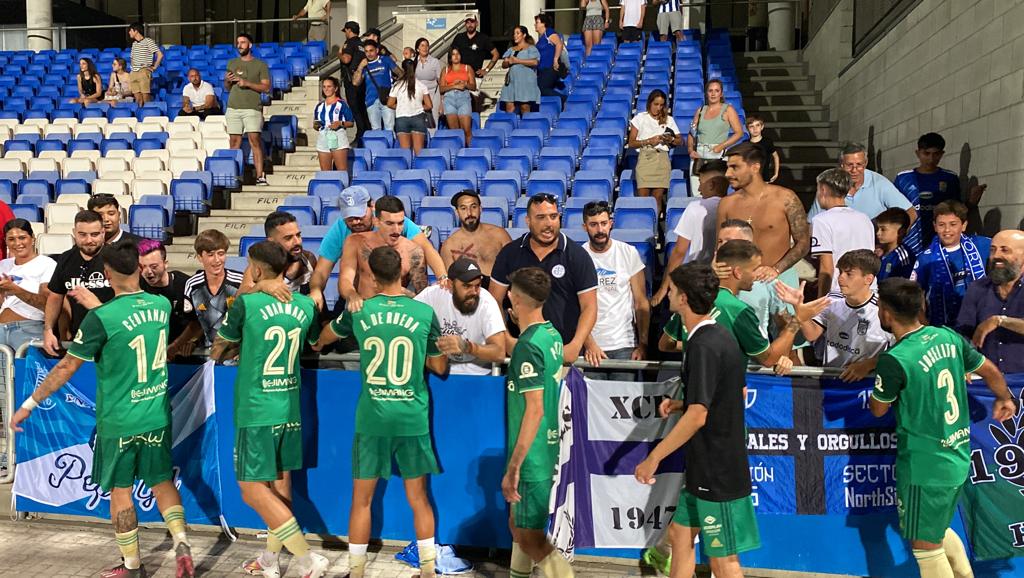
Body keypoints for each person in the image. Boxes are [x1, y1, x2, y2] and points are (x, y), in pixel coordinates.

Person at [11, 239, 196, 578]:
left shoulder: (102, 318)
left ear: (107, 273)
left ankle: (132, 566)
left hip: (119, 420)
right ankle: (182, 542)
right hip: (155, 414)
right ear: (140, 269)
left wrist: (28, 404)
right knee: (161, 482)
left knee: (120, 492)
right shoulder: (160, 306)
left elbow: (66, 367)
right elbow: (129, 322)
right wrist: (99, 307)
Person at [315, 245, 449, 578]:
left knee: (361, 500)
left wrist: (317, 343)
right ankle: (429, 571)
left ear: (372, 277)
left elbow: (326, 336)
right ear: (403, 273)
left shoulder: (359, 311)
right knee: (419, 498)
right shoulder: (422, 313)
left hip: (372, 418)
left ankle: (357, 572)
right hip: (411, 415)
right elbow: (440, 366)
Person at [870, 278, 1016, 578]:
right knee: (935, 530)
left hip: (925, 464)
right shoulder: (946, 337)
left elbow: (879, 407)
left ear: (885, 313)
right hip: (957, 456)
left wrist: (878, 376)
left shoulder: (895, 359)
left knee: (925, 546)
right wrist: (1004, 397)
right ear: (920, 307)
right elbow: (988, 368)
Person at [635, 262, 760, 578]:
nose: (668, 297)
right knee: (680, 537)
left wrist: (653, 459)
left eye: (673, 292)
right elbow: (729, 394)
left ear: (685, 299)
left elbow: (699, 415)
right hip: (704, 466)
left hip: (718, 470)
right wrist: (681, 404)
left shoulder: (704, 345)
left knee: (723, 561)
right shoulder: (709, 337)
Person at [210, 241, 328, 578]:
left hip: (256, 407)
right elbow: (313, 342)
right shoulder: (305, 306)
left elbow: (218, 349)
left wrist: (236, 344)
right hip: (289, 406)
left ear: (257, 269)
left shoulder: (246, 302)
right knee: (281, 485)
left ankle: (306, 559)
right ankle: (270, 561)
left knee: (251, 489)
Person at [502, 267, 577, 578]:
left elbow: (534, 409)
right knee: (519, 528)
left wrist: (514, 466)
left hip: (530, 457)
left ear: (516, 299)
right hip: (544, 449)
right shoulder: (552, 335)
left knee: (530, 537)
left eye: (509, 292)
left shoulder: (528, 346)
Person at [659, 240, 825, 372]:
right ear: (738, 272)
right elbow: (768, 359)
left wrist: (702, 347)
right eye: (755, 269)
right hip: (722, 399)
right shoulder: (738, 310)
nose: (758, 274)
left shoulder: (694, 298)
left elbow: (665, 344)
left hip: (691, 390)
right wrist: (798, 320)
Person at [490, 194, 598, 364]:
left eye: (553, 217)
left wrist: (575, 345)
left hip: (562, 355)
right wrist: (506, 338)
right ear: (528, 220)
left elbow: (589, 306)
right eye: (541, 217)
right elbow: (494, 299)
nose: (549, 224)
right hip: (521, 353)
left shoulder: (577, 256)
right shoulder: (510, 253)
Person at [309, 186, 447, 310]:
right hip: (360, 301)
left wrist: (443, 277)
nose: (356, 221)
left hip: (397, 306)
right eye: (350, 217)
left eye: (360, 215)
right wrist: (316, 290)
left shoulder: (395, 221)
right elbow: (323, 271)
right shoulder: (345, 233)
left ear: (372, 208)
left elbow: (427, 249)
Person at [776, 249, 892, 378]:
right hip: (831, 380)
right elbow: (812, 335)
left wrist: (869, 364)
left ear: (868, 279)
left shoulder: (883, 308)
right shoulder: (832, 299)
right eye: (840, 272)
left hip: (865, 385)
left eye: (849, 274)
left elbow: (903, 349)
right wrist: (798, 307)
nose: (840, 278)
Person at [716, 143, 811, 289]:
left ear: (755, 167)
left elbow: (803, 243)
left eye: (735, 167)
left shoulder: (786, 198)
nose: (728, 174)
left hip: (780, 279)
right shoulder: (726, 204)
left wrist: (777, 269)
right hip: (740, 283)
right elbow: (719, 246)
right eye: (727, 167)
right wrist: (716, 265)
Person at [581, 201, 650, 380]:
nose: (600, 230)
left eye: (604, 223)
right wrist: (589, 344)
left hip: (625, 344)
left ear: (611, 223)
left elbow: (641, 302)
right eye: (593, 224)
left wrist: (642, 344)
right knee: (593, 406)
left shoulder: (628, 252)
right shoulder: (578, 257)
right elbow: (576, 307)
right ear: (585, 227)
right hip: (592, 346)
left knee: (622, 407)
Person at [895, 132, 986, 252]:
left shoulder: (950, 178)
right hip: (909, 243)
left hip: (940, 243)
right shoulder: (903, 178)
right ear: (918, 153)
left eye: (936, 154)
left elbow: (957, 212)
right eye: (926, 153)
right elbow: (894, 213)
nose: (931, 159)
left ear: (942, 154)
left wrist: (971, 202)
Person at [415, 257, 507, 375]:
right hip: (437, 372)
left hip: (478, 374)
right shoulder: (432, 295)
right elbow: (409, 318)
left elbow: (499, 352)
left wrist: (467, 347)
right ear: (450, 284)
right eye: (467, 286)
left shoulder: (486, 303)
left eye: (477, 285)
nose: (474, 292)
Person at [42, 210, 113, 355]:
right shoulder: (65, 259)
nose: (89, 240)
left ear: (103, 232)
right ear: (74, 232)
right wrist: (48, 330)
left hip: (112, 337)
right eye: (82, 235)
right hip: (79, 340)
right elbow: (55, 297)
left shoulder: (116, 258)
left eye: (94, 234)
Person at [652, 171, 728, 306]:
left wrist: (663, 288)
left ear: (712, 185)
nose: (699, 189)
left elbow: (679, 252)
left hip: (696, 278)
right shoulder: (733, 207)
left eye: (701, 184)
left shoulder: (695, 207)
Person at [911, 200, 991, 328]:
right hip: (942, 328)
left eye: (953, 224)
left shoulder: (982, 245)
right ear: (935, 226)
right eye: (941, 225)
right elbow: (915, 294)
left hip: (979, 322)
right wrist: (925, 326)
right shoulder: (925, 258)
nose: (947, 230)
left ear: (964, 225)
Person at [339, 195, 429, 308]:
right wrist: (352, 295)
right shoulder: (356, 242)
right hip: (365, 308)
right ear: (376, 222)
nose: (396, 230)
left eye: (400, 223)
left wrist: (405, 294)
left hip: (397, 312)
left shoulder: (413, 251)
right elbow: (345, 279)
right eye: (390, 223)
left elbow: (422, 294)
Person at [957, 229, 1024, 374]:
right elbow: (963, 333)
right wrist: (964, 359)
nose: (996, 256)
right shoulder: (977, 288)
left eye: (1005, 250)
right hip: (986, 380)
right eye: (993, 250)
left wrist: (999, 321)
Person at [808, 143, 917, 222]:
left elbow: (910, 212)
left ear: (865, 163)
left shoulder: (879, 183)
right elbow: (812, 223)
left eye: (859, 165)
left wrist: (895, 241)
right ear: (841, 164)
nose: (854, 170)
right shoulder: (829, 185)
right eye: (849, 165)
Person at [810, 168, 876, 297]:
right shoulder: (864, 218)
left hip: (839, 295)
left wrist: (821, 302)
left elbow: (827, 268)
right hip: (868, 293)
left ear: (823, 189)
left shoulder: (821, 220)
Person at [182, 230, 244, 346]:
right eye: (210, 255)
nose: (217, 260)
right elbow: (194, 323)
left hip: (236, 351)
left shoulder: (240, 281)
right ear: (199, 257)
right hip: (205, 354)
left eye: (221, 254)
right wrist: (191, 341)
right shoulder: (192, 284)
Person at [0, 220, 55, 349]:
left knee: (27, 369)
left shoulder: (47, 264)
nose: (17, 243)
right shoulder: (3, 265)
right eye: (11, 239)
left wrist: (15, 290)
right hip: (1, 331)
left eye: (22, 238)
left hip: (29, 329)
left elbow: (48, 304)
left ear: (33, 238)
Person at [225, 33, 271, 186]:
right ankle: (233, 176)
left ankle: (260, 175)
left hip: (252, 108)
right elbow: (227, 87)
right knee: (234, 141)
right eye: (238, 42)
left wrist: (248, 83)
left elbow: (266, 87)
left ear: (250, 45)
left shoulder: (260, 65)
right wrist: (227, 81)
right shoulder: (232, 63)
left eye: (243, 42)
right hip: (233, 107)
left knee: (254, 140)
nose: (239, 45)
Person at [627, 89, 682, 215]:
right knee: (643, 199)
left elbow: (680, 141)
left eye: (661, 105)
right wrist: (648, 141)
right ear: (649, 103)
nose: (658, 108)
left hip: (661, 159)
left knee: (657, 198)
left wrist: (671, 139)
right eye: (656, 104)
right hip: (645, 158)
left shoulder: (669, 120)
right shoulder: (640, 118)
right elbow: (631, 143)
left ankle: (655, 227)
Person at [241, 211, 318, 296]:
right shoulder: (260, 265)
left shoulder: (308, 259)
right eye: (288, 238)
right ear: (271, 242)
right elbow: (240, 297)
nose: (297, 242)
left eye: (298, 235)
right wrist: (261, 286)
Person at [137, 239, 193, 356]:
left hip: (181, 351)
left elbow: (198, 322)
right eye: (143, 267)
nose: (148, 272)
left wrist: (192, 340)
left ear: (165, 264)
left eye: (154, 266)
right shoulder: (136, 286)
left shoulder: (185, 284)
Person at [440, 189, 513, 279]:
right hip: (469, 291)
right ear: (457, 212)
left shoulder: (500, 235)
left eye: (473, 207)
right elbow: (450, 282)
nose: (469, 213)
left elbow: (515, 267)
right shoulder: (449, 246)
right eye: (463, 208)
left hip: (500, 288)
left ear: (480, 209)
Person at [688, 79, 744, 174]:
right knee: (697, 187)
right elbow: (691, 133)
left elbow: (739, 133)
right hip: (699, 154)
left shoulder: (728, 109)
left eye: (716, 91)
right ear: (706, 93)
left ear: (721, 93)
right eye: (710, 91)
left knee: (716, 187)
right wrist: (690, 150)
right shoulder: (700, 111)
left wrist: (721, 146)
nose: (713, 94)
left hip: (717, 153)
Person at [451, 14, 500, 112]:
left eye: (472, 22)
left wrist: (486, 70)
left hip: (475, 77)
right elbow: (451, 54)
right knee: (459, 104)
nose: (470, 24)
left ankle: (474, 124)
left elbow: (496, 54)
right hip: (459, 76)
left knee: (473, 103)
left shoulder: (483, 38)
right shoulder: (459, 37)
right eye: (467, 22)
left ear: (476, 23)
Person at [389, 58, 432, 155]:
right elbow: (429, 105)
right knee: (419, 153)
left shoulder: (397, 85)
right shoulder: (421, 85)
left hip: (402, 119)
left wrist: (401, 106)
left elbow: (390, 104)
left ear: (403, 69)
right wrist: (417, 106)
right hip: (418, 118)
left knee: (406, 154)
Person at [354, 40, 398, 131]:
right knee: (375, 129)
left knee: (390, 128)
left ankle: (390, 145)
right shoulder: (364, 65)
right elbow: (355, 82)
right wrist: (360, 67)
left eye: (371, 50)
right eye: (366, 51)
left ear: (377, 50)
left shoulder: (385, 60)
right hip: (371, 100)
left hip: (387, 99)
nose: (369, 54)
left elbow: (400, 73)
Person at [313, 76, 354, 171]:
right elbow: (315, 123)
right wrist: (316, 126)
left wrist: (340, 123)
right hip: (323, 136)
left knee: (341, 170)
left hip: (338, 135)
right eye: (324, 87)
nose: (326, 89)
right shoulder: (319, 106)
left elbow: (351, 122)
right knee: (325, 172)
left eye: (329, 86)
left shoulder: (342, 104)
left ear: (335, 88)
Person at [340, 21, 370, 143]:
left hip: (351, 80)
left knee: (355, 109)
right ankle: (366, 132)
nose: (345, 34)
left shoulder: (350, 43)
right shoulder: (361, 44)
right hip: (362, 81)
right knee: (362, 108)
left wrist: (340, 53)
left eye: (345, 31)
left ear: (349, 30)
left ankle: (361, 134)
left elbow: (346, 59)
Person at [440, 47, 476, 145]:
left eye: (458, 54)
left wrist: (464, 84)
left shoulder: (467, 68)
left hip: (463, 97)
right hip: (449, 99)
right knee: (454, 131)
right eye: (453, 54)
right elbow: (441, 88)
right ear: (450, 57)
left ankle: (469, 152)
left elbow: (473, 86)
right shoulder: (445, 70)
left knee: (466, 130)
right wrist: (453, 85)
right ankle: (458, 153)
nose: (456, 56)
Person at [501, 26, 541, 116]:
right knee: (509, 108)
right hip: (512, 83)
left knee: (524, 107)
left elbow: (535, 62)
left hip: (525, 83)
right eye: (514, 33)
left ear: (524, 35)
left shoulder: (531, 48)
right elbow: (504, 64)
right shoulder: (511, 49)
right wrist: (507, 62)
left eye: (517, 33)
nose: (515, 35)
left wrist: (517, 61)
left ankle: (525, 128)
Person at [875, 208, 917, 281]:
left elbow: (905, 286)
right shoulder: (880, 253)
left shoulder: (904, 258)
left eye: (883, 229)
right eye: (877, 229)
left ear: (900, 232)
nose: (878, 233)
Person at [127, 22, 162, 105]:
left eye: (130, 30)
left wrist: (154, 67)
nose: (129, 32)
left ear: (136, 31)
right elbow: (132, 58)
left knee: (146, 97)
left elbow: (160, 54)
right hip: (133, 72)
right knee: (138, 99)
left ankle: (148, 114)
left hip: (143, 71)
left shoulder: (148, 41)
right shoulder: (134, 44)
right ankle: (140, 115)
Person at [533, 13, 565, 100]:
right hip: (542, 70)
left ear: (544, 23)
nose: (535, 24)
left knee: (541, 88)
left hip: (550, 68)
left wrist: (555, 59)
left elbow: (559, 44)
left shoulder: (549, 32)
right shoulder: (542, 37)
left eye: (537, 22)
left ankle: (563, 99)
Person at [414, 38, 443, 128]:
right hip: (418, 94)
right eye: (422, 45)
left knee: (433, 119)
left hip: (433, 93)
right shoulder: (413, 62)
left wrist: (442, 102)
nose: (425, 48)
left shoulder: (435, 61)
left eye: (427, 45)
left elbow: (440, 82)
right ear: (417, 49)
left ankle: (433, 139)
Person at [745, 114, 779, 183]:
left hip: (764, 177)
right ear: (747, 129)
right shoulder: (745, 144)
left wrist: (776, 173)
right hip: (750, 178)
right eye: (751, 126)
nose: (755, 129)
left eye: (757, 125)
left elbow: (775, 156)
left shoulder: (767, 142)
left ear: (762, 127)